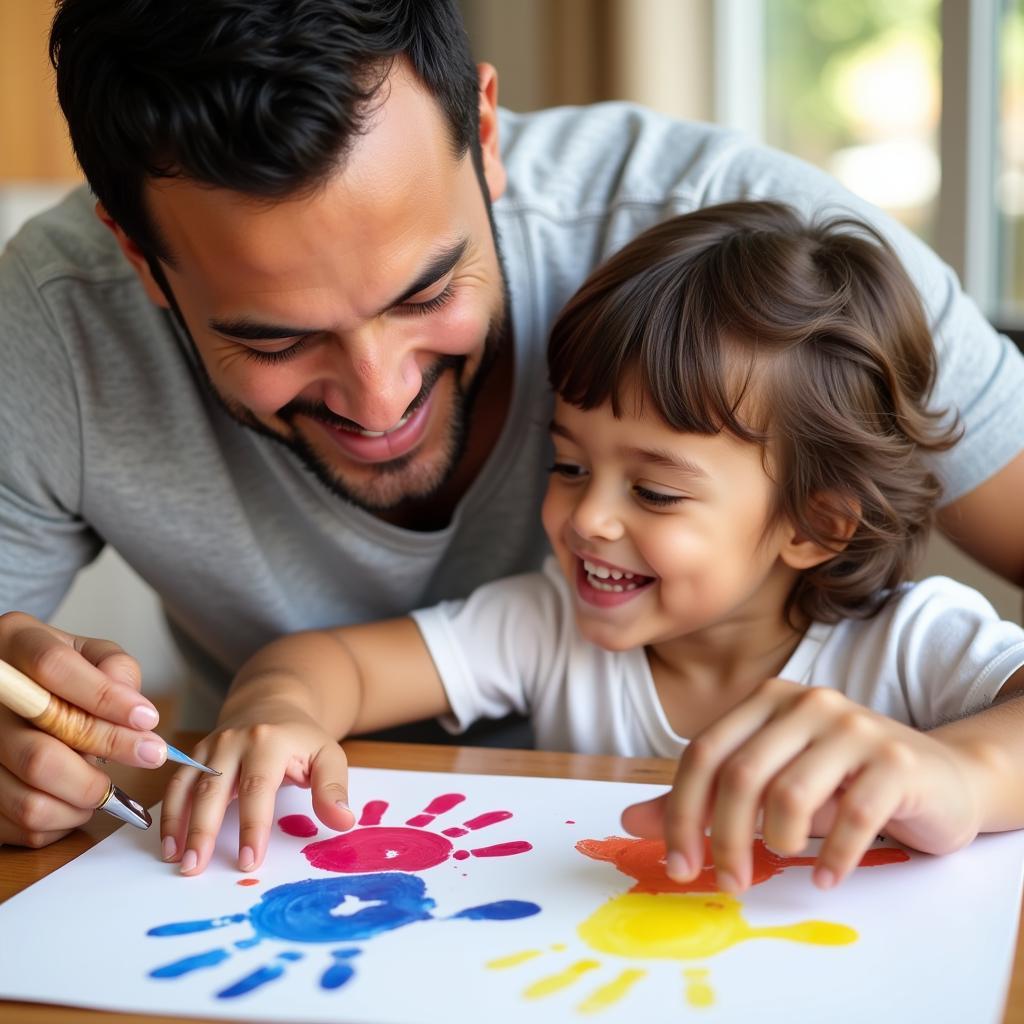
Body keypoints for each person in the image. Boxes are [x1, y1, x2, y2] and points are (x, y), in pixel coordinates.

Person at [1, 2, 1023, 852]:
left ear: (485, 134)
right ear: (137, 256)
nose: (378, 396)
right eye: (276, 341)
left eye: (427, 290)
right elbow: (320, 670)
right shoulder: (50, 326)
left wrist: (968, 774)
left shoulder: (773, 280)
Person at [161, 201, 1024, 891]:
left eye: (653, 490)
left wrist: (956, 774)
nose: (587, 520)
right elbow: (331, 664)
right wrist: (278, 712)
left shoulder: (911, 642)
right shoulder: (549, 623)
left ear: (817, 524)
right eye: (568, 463)